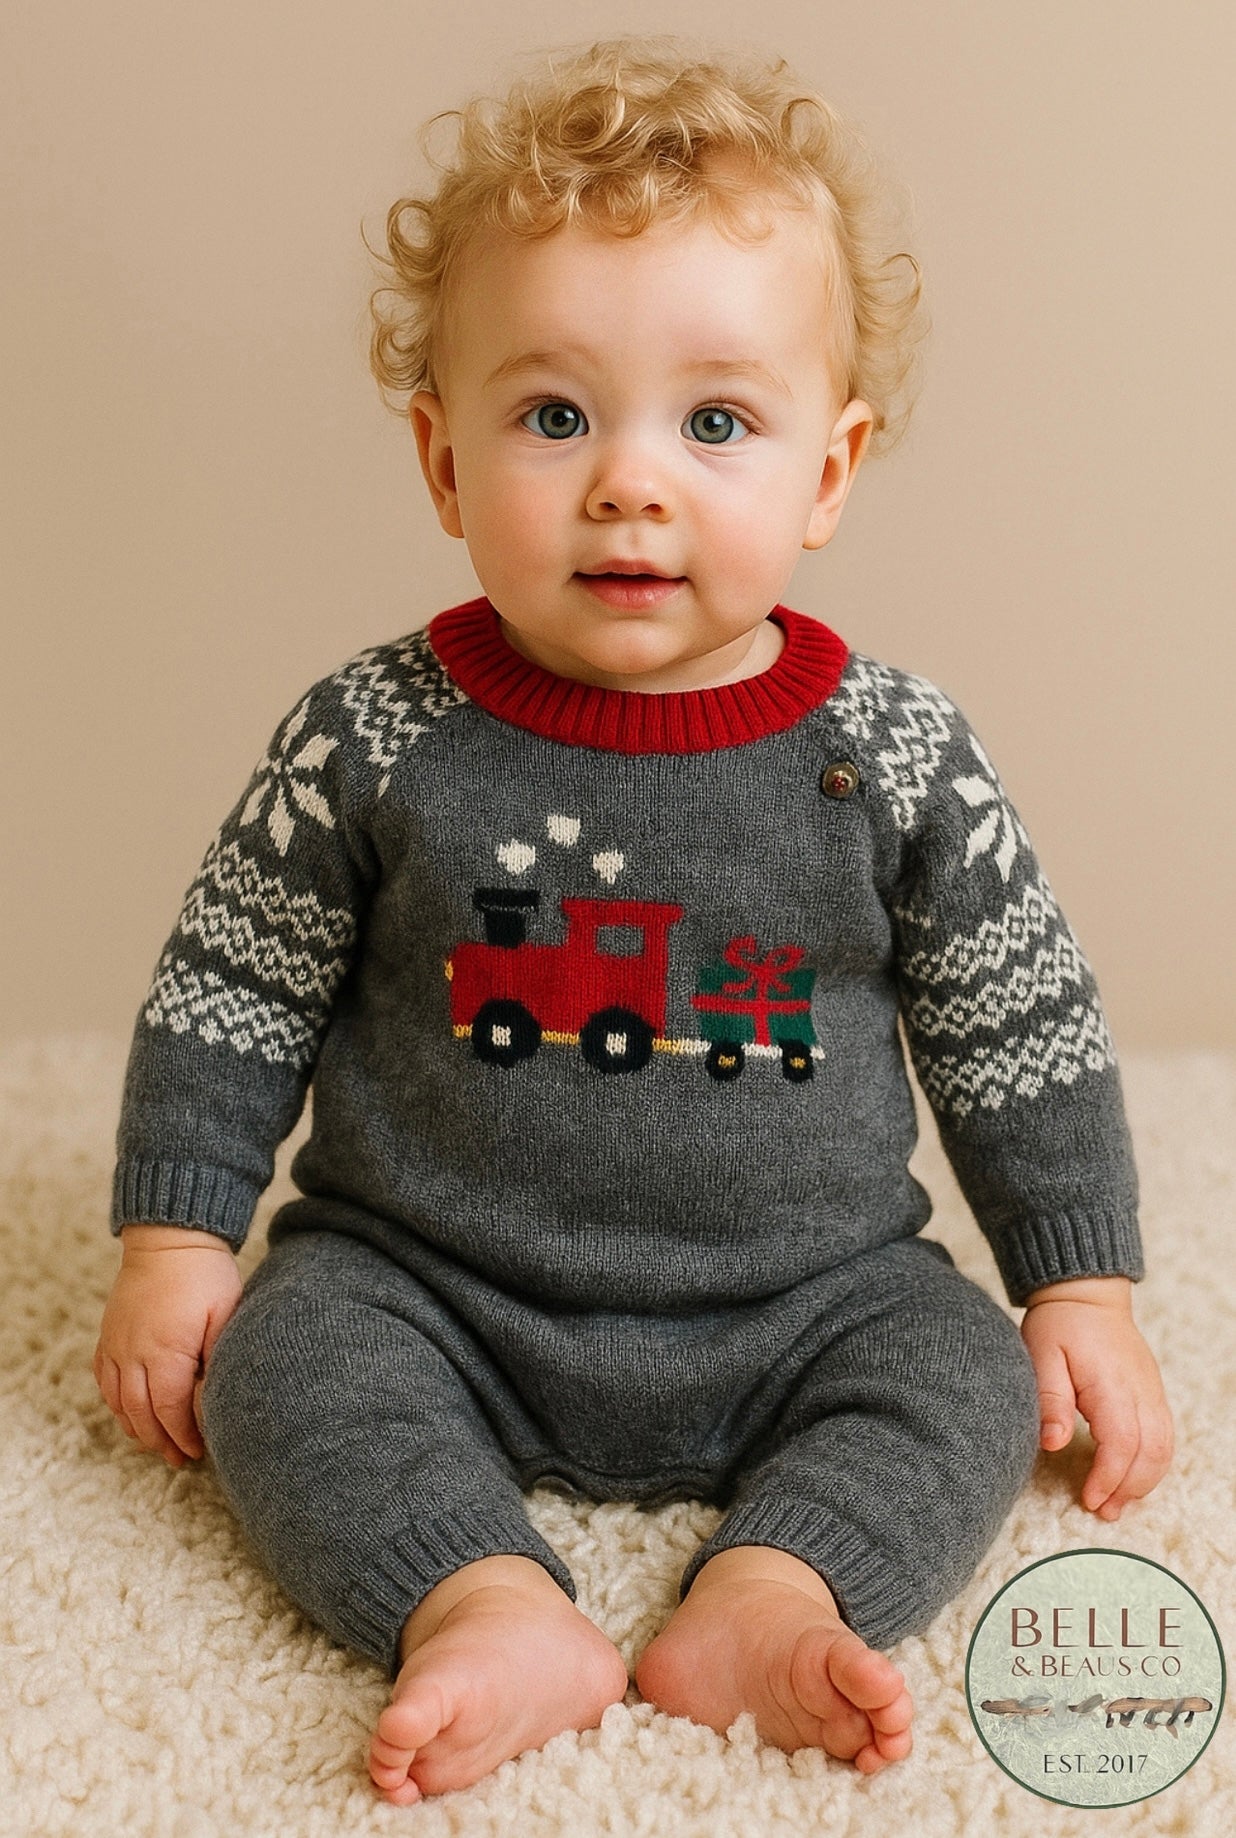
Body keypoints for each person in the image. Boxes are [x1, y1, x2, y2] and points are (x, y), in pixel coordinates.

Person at [94, 36, 1174, 1807]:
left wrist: (1082, 1282)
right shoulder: (373, 735)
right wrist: (175, 1239)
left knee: (964, 1371)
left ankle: (775, 1585)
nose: (630, 481)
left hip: (808, 1297)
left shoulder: (896, 755)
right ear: (444, 460)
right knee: (281, 1360)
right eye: (554, 415)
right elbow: (234, 980)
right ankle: (479, 1594)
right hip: (431, 1286)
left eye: (717, 423)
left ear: (830, 470)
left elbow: (1016, 1016)